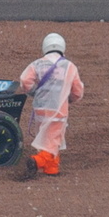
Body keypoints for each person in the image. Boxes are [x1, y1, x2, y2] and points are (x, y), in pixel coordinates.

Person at [18, 32, 84, 180]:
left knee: (46, 139)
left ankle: (52, 169)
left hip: (40, 108)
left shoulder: (37, 64)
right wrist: (70, 99)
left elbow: (24, 80)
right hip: (58, 110)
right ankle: (37, 161)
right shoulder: (69, 66)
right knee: (54, 140)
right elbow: (78, 92)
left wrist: (34, 92)